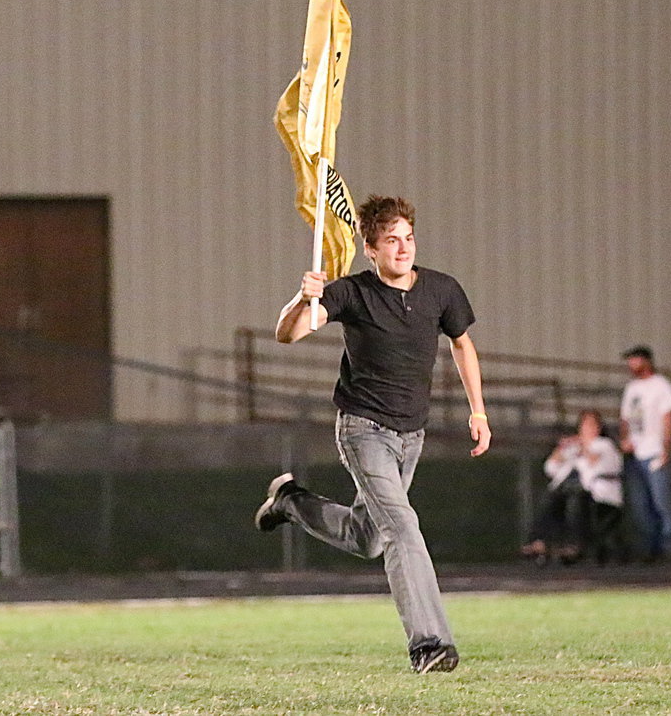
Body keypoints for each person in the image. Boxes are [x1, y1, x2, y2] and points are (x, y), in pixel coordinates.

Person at [254, 195, 491, 675]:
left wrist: (478, 412)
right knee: (403, 528)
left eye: (408, 238)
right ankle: (430, 643)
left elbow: (463, 346)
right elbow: (288, 333)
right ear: (370, 248)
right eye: (391, 241)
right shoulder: (351, 293)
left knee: (369, 538)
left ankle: (290, 502)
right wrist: (304, 298)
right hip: (363, 430)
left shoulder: (442, 290)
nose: (403, 249)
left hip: (411, 436)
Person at [519, 410, 624, 565]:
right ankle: (540, 541)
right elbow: (550, 467)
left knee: (575, 501)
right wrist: (561, 449)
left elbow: (598, 463)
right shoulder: (574, 446)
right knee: (550, 499)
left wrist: (584, 446)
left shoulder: (604, 445)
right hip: (567, 489)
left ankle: (575, 545)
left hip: (595, 492)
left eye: (591, 425)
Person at [618, 345, 671, 562]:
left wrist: (666, 448)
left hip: (653, 451)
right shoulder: (631, 388)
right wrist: (625, 440)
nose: (631, 365)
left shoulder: (661, 386)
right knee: (640, 505)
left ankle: (666, 547)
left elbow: (668, 418)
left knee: (660, 502)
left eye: (635, 360)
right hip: (635, 453)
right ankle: (650, 546)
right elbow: (625, 418)